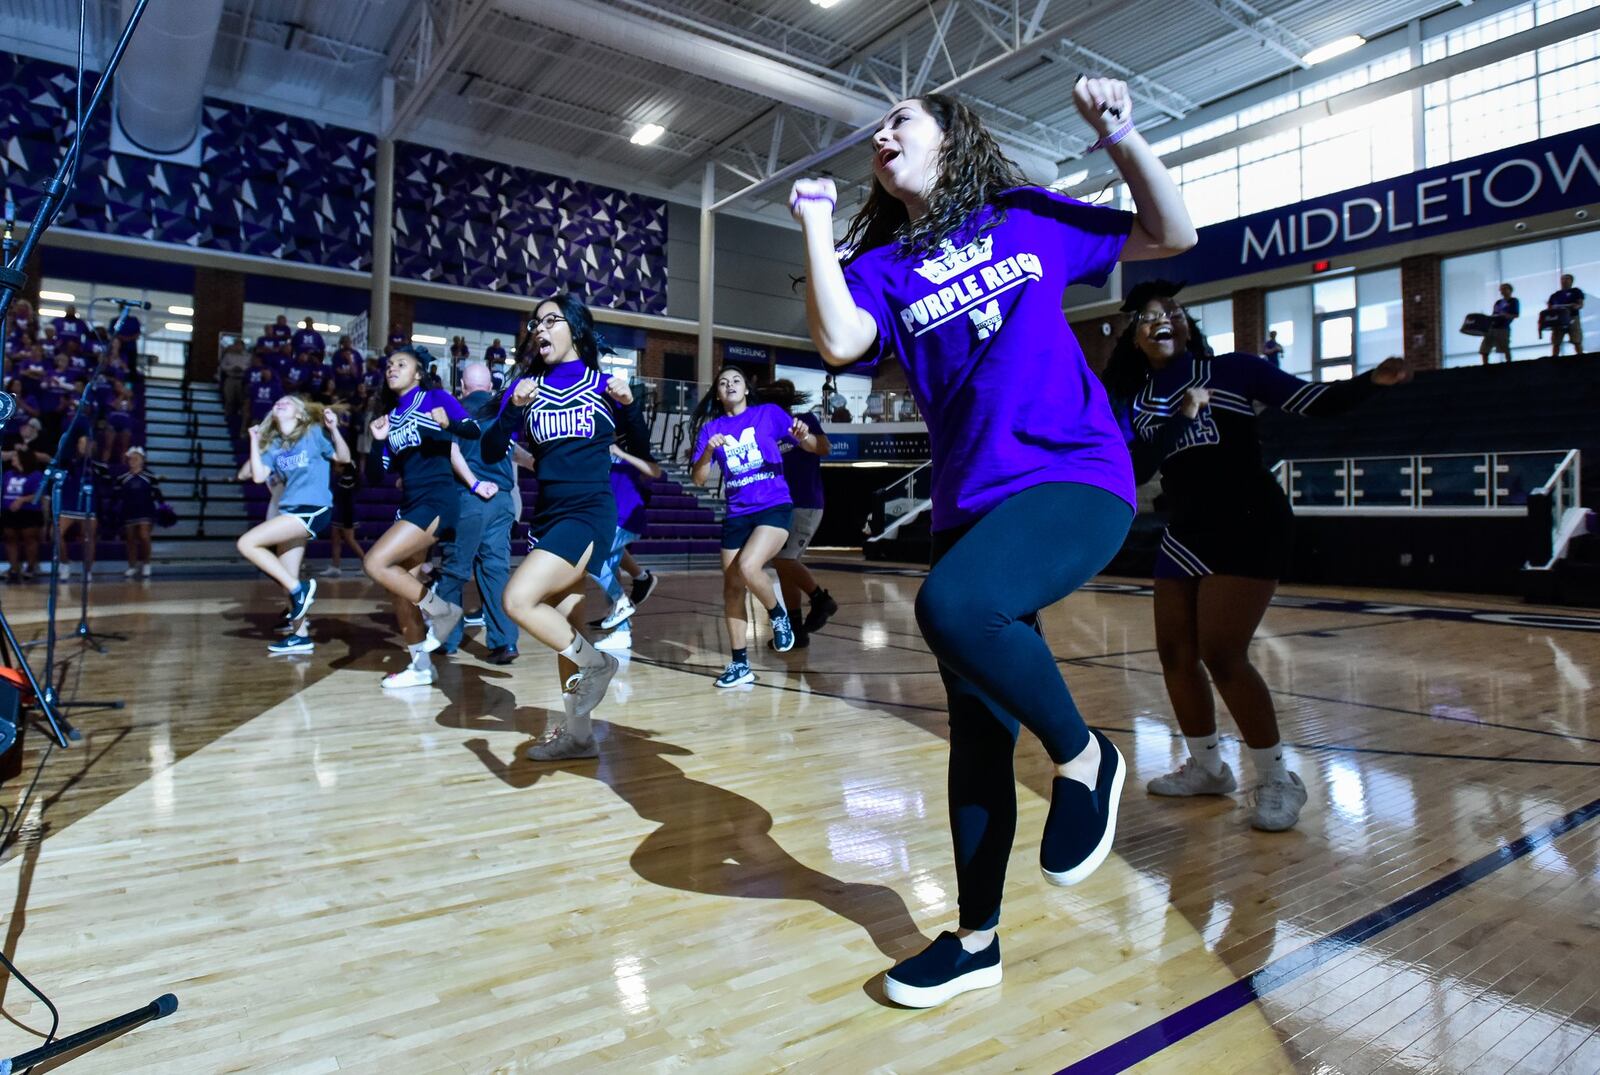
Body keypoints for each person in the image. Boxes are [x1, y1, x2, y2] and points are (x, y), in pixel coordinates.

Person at [789, 78, 1196, 1007]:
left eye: (904, 119)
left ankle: (1087, 757)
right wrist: (814, 225)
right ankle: (976, 941)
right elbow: (844, 340)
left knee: (951, 606)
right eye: (878, 127)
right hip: (971, 507)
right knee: (975, 733)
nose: (883, 132)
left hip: (1075, 477)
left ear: (953, 139)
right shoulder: (885, 268)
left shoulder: (1022, 217)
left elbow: (1169, 233)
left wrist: (1125, 136)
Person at [1104, 279, 1412, 835]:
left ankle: (1277, 779)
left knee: (1223, 653)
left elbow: (1313, 401)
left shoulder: (1236, 370)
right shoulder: (1135, 401)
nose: (1162, 319)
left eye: (1171, 310)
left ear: (1188, 324)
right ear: (1134, 340)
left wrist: (1372, 382)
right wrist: (1180, 417)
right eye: (1148, 317)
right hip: (1186, 530)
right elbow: (1141, 466)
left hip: (1250, 524)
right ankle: (1207, 767)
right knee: (1175, 653)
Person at [497, 294, 639, 760]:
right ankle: (579, 734)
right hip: (548, 515)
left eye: (551, 320)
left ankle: (599, 664)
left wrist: (631, 405)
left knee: (518, 599)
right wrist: (513, 409)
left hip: (588, 512)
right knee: (566, 625)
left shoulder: (603, 385)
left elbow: (642, 447)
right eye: (534, 323)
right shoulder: (526, 387)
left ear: (575, 328)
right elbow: (490, 445)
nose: (539, 329)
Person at [362, 346, 481, 688]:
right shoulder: (392, 417)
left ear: (417, 373)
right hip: (412, 504)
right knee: (400, 591)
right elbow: (374, 476)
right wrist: (376, 441)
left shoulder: (434, 397)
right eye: (388, 365)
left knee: (375, 563)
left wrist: (451, 421)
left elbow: (473, 430)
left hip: (437, 500)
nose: (392, 368)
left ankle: (442, 611)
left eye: (401, 364)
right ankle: (421, 667)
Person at [690, 367, 805, 685]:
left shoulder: (768, 414)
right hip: (737, 513)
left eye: (736, 380)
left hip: (774, 506)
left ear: (746, 389)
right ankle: (740, 664)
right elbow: (698, 479)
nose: (729, 385)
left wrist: (804, 435)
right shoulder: (711, 429)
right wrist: (709, 452)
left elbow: (804, 442)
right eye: (723, 382)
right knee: (731, 588)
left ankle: (778, 614)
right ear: (717, 393)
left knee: (749, 566)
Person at [238, 398, 351, 653]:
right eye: (278, 402)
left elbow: (343, 457)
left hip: (313, 509)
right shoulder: (275, 444)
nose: (281, 403)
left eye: (288, 403)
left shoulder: (312, 433)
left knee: (246, 543)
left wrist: (334, 430)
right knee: (287, 574)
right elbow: (257, 476)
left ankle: (301, 590)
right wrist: (255, 442)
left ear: (300, 415)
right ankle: (300, 635)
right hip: (290, 511)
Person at [433, 362, 521, 665]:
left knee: (454, 571)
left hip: (470, 498)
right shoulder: (502, 411)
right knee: (495, 571)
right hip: (503, 500)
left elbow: (450, 451)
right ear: (490, 386)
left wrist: (473, 484)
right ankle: (505, 642)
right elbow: (514, 450)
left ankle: (446, 640)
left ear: (462, 386)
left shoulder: (455, 410)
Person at [766, 379, 838, 649]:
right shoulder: (767, 429)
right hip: (781, 503)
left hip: (805, 502)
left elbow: (824, 447)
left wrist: (804, 436)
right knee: (785, 567)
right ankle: (796, 631)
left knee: (783, 560)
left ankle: (821, 599)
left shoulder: (804, 419)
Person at [591, 413, 663, 652]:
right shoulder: (596, 450)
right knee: (608, 568)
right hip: (607, 516)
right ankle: (622, 631)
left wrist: (622, 455)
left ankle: (623, 601)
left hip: (626, 516)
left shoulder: (628, 449)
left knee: (591, 559)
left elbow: (655, 472)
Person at [114, 446, 164, 579]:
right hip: (129, 511)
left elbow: (158, 494)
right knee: (130, 539)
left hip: (146, 510)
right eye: (131, 458)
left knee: (144, 536)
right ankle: (132, 566)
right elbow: (117, 496)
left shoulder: (149, 476)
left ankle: (147, 563)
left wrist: (163, 507)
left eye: (137, 458)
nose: (134, 460)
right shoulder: (122, 478)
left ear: (142, 460)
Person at [2, 453, 44, 582]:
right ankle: (14, 568)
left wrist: (22, 500)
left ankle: (31, 567)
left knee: (29, 539)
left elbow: (39, 493)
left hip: (29, 512)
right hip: (9, 511)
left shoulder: (36, 475)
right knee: (10, 538)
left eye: (15, 457)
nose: (12, 459)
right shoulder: (8, 474)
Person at [322, 461, 366, 577]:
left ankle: (367, 565)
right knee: (335, 539)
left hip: (347, 512)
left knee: (350, 540)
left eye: (336, 465)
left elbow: (340, 494)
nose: (334, 467)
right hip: (339, 511)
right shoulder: (339, 476)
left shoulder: (348, 478)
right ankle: (335, 566)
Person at [1546, 273, 1584, 357]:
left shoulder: (1576, 291)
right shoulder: (1555, 295)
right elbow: (1549, 307)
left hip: (1572, 317)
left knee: (1576, 339)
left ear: (1571, 281)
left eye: (1567, 279)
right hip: (1558, 319)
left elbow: (1580, 304)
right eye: (1563, 279)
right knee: (1556, 341)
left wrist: (1575, 306)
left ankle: (1581, 357)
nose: (1564, 281)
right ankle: (1554, 359)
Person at [1481, 283, 1519, 364]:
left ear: (1510, 290)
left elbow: (1516, 314)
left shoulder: (1513, 301)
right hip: (1493, 326)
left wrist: (1505, 315)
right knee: (1485, 348)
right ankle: (1485, 365)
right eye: (1501, 289)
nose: (1502, 291)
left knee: (1505, 347)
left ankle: (1509, 363)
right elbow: (1494, 313)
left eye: (1505, 289)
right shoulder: (1498, 302)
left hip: (1503, 327)